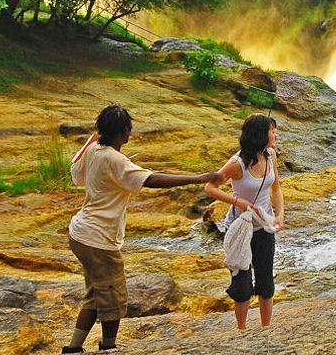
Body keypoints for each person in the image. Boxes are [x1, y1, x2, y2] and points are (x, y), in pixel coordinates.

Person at [64, 105, 221, 353]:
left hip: (80, 234)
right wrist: (199, 178)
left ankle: (73, 348)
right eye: (129, 129)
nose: (130, 133)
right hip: (98, 239)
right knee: (114, 298)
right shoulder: (115, 159)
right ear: (125, 131)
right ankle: (109, 347)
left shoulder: (94, 149)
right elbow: (152, 180)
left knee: (95, 295)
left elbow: (76, 176)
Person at [204, 113, 285, 330]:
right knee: (242, 285)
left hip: (264, 227)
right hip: (240, 228)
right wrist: (237, 201)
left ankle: (265, 330)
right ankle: (242, 332)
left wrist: (280, 215)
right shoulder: (236, 163)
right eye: (272, 130)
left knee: (266, 282)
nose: (275, 134)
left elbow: (276, 189)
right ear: (261, 134)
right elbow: (210, 187)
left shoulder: (270, 155)